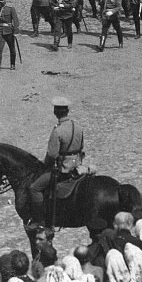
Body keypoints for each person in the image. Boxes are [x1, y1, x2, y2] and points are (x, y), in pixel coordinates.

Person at [30, 96, 86, 227]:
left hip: (63, 168)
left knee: (34, 188)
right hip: (77, 165)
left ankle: (40, 221)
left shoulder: (58, 131)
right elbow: (82, 147)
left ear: (55, 112)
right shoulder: (78, 127)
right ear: (67, 111)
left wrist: (44, 166)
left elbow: (52, 154)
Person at [0, 0, 19, 72]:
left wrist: (15, 32)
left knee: (12, 48)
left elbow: (15, 20)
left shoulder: (10, 9)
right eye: (0, 0)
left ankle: (12, 64)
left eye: (2, 0)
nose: (1, 2)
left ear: (5, 0)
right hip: (0, 31)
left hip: (9, 31)